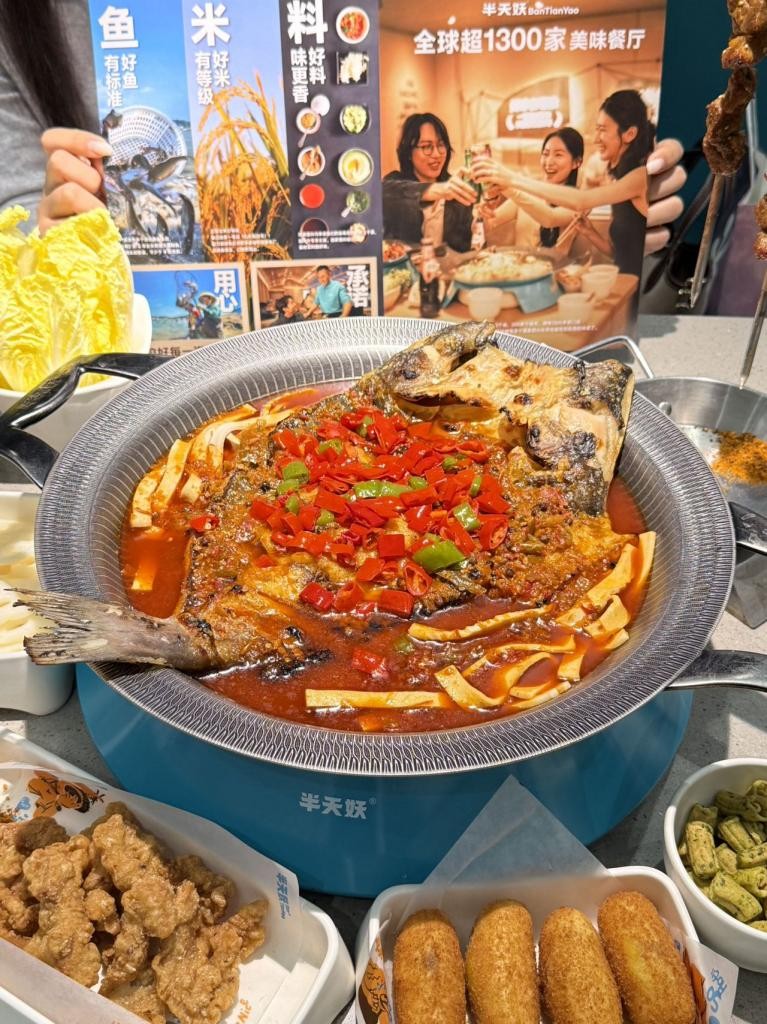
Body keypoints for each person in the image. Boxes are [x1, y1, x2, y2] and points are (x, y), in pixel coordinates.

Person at [473, 91, 658, 278]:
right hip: (518, 273)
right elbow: (622, 254)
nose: (549, 162)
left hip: (556, 279)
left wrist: (511, 182)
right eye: (545, 154)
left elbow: (558, 213)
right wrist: (483, 211)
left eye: (602, 130)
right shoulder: (623, 180)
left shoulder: (639, 177)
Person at [382, 112, 477, 252]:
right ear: (408, 153)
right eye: (426, 147)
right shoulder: (394, 183)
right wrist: (435, 190)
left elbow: (463, 249)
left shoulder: (455, 190)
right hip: (405, 265)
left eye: (441, 145)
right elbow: (382, 191)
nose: (436, 154)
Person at [481, 127, 586, 252]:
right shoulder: (527, 192)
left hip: (554, 265)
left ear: (576, 162)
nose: (549, 162)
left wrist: (509, 186)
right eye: (545, 154)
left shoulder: (578, 201)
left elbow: (550, 218)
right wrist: (485, 207)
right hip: (518, 263)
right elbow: (490, 222)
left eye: (558, 155)